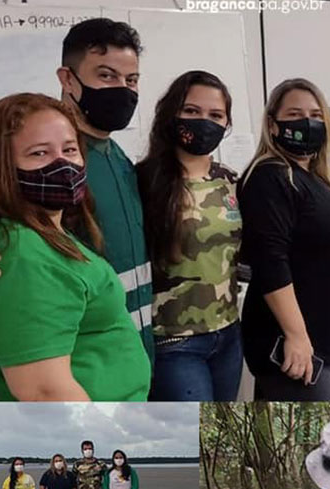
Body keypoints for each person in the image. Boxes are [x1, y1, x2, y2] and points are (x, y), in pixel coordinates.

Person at [0, 18, 155, 364]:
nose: (123, 89)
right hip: (79, 359)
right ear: (67, 78)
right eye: (106, 75)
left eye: (130, 80)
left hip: (130, 349)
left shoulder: (114, 154)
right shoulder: (48, 163)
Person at [0, 93, 150, 401]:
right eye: (38, 153)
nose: (62, 163)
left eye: (70, 149)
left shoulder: (46, 232)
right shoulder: (21, 255)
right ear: (2, 166)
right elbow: (45, 393)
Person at [238, 78, 330, 400]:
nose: (306, 122)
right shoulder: (270, 176)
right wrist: (296, 335)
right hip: (294, 344)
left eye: (316, 114)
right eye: (294, 114)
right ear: (273, 124)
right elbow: (270, 261)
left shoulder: (322, 180)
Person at [138, 71, 243, 401]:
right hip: (173, 340)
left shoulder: (231, 180)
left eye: (215, 115)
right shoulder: (143, 181)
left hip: (228, 333)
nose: (204, 122)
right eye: (192, 112)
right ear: (171, 114)